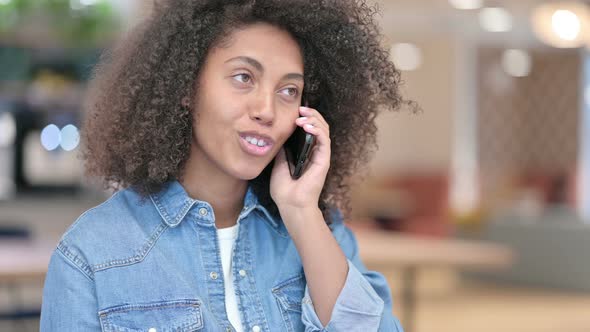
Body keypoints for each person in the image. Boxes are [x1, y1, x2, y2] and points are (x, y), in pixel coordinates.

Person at [40, 0, 411, 330]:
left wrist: (300, 210)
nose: (267, 110)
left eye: (288, 91)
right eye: (243, 78)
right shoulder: (91, 254)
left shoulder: (321, 233)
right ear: (186, 86)